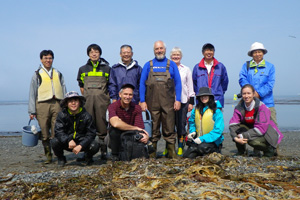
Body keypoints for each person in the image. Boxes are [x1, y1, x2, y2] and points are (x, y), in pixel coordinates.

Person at [139, 40, 182, 159]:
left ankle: (171, 152)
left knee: (169, 127)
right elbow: (142, 84)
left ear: (165, 49)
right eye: (157, 49)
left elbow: (178, 83)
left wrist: (178, 99)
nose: (159, 51)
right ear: (154, 51)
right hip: (151, 103)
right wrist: (142, 101)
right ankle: (152, 153)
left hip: (168, 103)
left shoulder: (171, 64)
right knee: (153, 128)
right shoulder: (148, 65)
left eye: (161, 48)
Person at [28, 50, 67, 164]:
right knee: (44, 131)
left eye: (50, 58)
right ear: (41, 59)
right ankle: (48, 155)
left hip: (57, 103)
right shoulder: (37, 74)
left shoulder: (58, 73)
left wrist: (65, 105)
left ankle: (59, 155)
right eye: (45, 58)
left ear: (53, 59)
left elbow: (64, 89)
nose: (48, 60)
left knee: (57, 130)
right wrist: (32, 110)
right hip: (42, 104)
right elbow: (32, 93)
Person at [229, 84, 283, 157]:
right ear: (241, 95)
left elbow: (261, 129)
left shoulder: (261, 107)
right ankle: (241, 152)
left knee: (252, 141)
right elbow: (233, 124)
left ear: (253, 94)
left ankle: (269, 150)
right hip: (253, 129)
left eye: (249, 93)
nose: (246, 96)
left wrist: (243, 135)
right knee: (237, 129)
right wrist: (236, 138)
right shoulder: (239, 107)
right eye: (244, 93)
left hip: (267, 133)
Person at [77, 44, 110, 160]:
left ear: (100, 53)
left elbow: (110, 86)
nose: (94, 54)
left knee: (102, 127)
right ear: (88, 54)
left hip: (102, 103)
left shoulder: (107, 68)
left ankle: (103, 152)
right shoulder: (82, 69)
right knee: (87, 127)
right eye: (91, 52)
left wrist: (104, 98)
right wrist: (88, 96)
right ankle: (88, 152)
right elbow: (81, 86)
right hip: (88, 102)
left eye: (96, 52)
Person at [51, 91, 100, 167]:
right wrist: (68, 140)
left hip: (81, 141)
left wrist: (81, 145)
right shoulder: (62, 115)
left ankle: (88, 156)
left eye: (76, 101)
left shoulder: (87, 116)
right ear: (66, 104)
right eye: (70, 101)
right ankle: (61, 158)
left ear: (80, 102)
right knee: (54, 141)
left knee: (95, 145)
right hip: (68, 142)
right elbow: (58, 131)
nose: (73, 103)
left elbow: (91, 134)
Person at [107, 84, 149, 161]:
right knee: (113, 130)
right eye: (125, 94)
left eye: (130, 95)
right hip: (116, 136)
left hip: (130, 135)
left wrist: (145, 136)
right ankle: (114, 155)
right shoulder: (113, 106)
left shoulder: (137, 108)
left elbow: (139, 127)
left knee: (141, 137)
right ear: (120, 94)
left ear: (132, 96)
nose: (127, 97)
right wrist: (135, 128)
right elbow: (115, 123)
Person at [239, 42, 277, 125]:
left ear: (263, 53)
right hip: (249, 102)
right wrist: (250, 93)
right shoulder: (245, 66)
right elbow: (242, 79)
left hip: (267, 102)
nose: (257, 54)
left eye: (259, 51)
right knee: (250, 127)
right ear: (251, 54)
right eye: (255, 52)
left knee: (272, 128)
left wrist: (258, 94)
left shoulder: (270, 66)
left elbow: (270, 84)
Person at [184, 87, 224, 158]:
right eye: (201, 96)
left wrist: (202, 139)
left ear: (210, 97)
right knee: (187, 155)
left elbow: (218, 131)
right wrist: (192, 132)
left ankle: (216, 150)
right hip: (198, 140)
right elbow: (191, 122)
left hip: (213, 141)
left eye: (206, 95)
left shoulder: (216, 110)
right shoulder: (196, 109)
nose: (203, 97)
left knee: (202, 148)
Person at [170, 47, 195, 156]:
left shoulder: (186, 69)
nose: (176, 56)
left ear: (181, 56)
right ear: (171, 57)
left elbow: (190, 86)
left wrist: (191, 102)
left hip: (184, 101)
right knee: (169, 126)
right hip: (169, 102)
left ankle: (180, 147)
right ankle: (169, 147)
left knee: (181, 125)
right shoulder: (167, 69)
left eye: (178, 55)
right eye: (174, 55)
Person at [192, 43, 229, 107]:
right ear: (203, 53)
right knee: (201, 117)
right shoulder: (197, 67)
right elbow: (194, 83)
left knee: (217, 117)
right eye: (206, 50)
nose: (209, 52)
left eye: (211, 50)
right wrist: (199, 94)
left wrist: (218, 92)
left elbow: (225, 83)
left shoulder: (220, 67)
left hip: (217, 99)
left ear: (214, 52)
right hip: (201, 100)